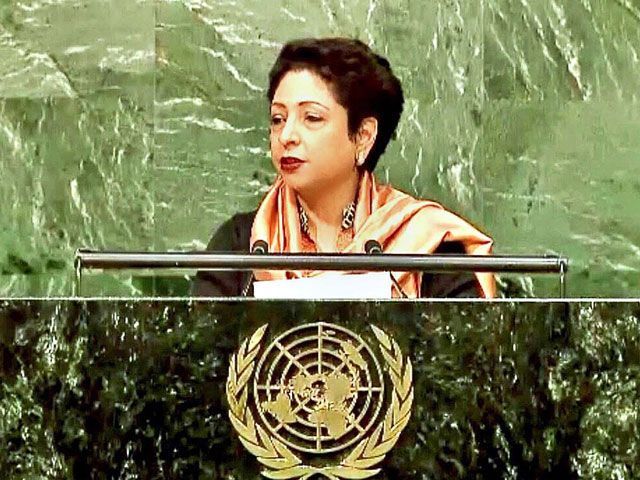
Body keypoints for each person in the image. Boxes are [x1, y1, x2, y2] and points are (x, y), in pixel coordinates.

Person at [193, 37, 495, 298]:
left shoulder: (424, 241)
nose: (287, 136)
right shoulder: (241, 243)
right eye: (277, 119)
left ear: (363, 136)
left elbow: (466, 357)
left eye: (311, 118)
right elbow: (198, 357)